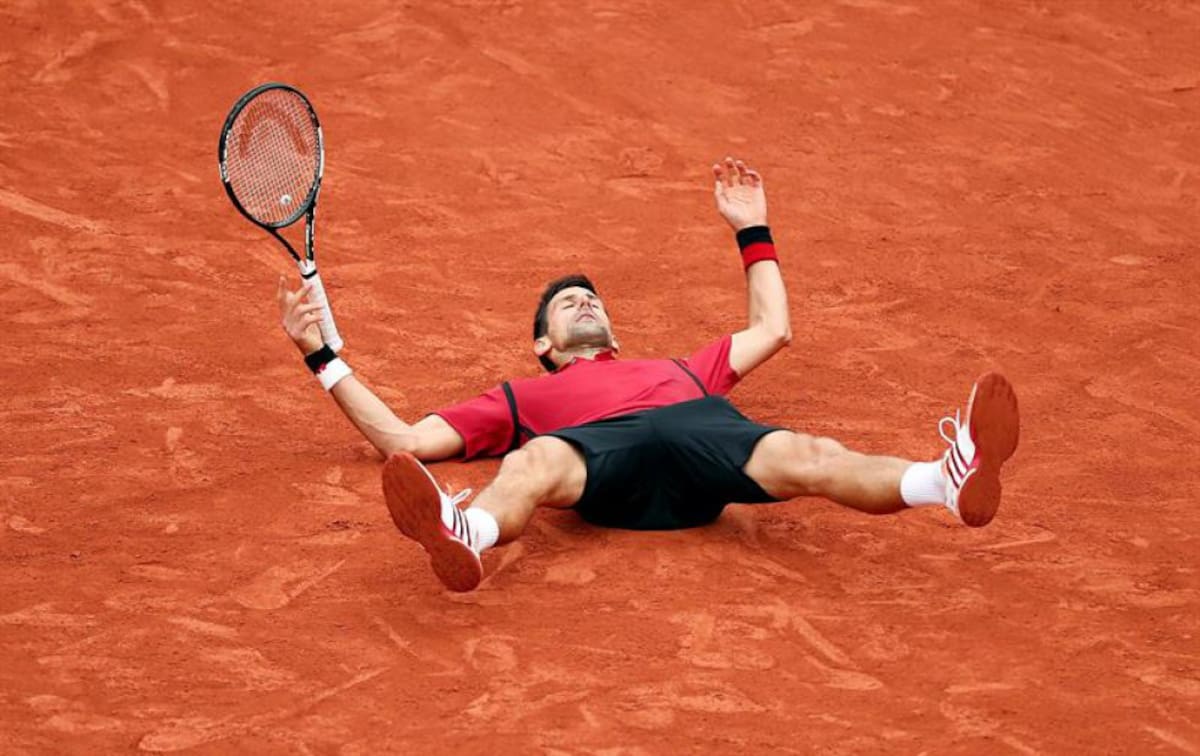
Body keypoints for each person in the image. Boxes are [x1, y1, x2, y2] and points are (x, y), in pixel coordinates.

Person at [275, 157, 1019, 592]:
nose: (585, 301)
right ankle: (466, 530)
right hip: (603, 461)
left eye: (592, 297)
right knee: (530, 461)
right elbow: (402, 437)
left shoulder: (682, 370)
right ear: (545, 345)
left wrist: (752, 229)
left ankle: (944, 482)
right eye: (568, 304)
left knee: (812, 455)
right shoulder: (521, 396)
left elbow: (773, 329)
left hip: (704, 439)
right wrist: (323, 356)